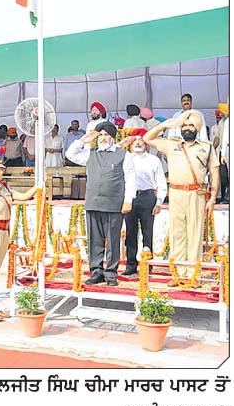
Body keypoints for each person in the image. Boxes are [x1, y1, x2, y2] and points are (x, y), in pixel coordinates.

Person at [144, 110, 219, 282]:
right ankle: (178, 274)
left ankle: (192, 275)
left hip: (197, 194)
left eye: (191, 125)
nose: (187, 128)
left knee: (195, 233)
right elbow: (147, 138)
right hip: (176, 193)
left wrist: (213, 198)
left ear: (197, 128)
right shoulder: (172, 144)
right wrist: (164, 125)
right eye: (184, 125)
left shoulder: (206, 147)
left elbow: (214, 173)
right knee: (177, 233)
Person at [66, 121, 136, 286]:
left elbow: (131, 179)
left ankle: (111, 273)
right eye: (101, 135)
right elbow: (70, 154)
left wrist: (128, 201)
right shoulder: (90, 154)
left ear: (113, 137)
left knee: (113, 240)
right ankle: (96, 272)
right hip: (93, 203)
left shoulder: (124, 154)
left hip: (114, 204)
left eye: (106, 135)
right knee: (94, 240)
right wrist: (83, 140)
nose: (103, 138)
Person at [0, 156, 37, 321]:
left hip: (4, 231)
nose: (0, 172)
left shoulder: (4, 188)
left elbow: (23, 196)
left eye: (1, 169)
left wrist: (38, 186)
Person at [122, 129, 167, 277]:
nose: (138, 143)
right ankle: (131, 265)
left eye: (141, 140)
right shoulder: (126, 158)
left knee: (148, 232)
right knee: (130, 232)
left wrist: (158, 202)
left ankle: (147, 263)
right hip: (130, 198)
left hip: (148, 197)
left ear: (146, 143)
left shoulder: (154, 160)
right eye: (135, 140)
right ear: (131, 143)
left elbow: (161, 182)